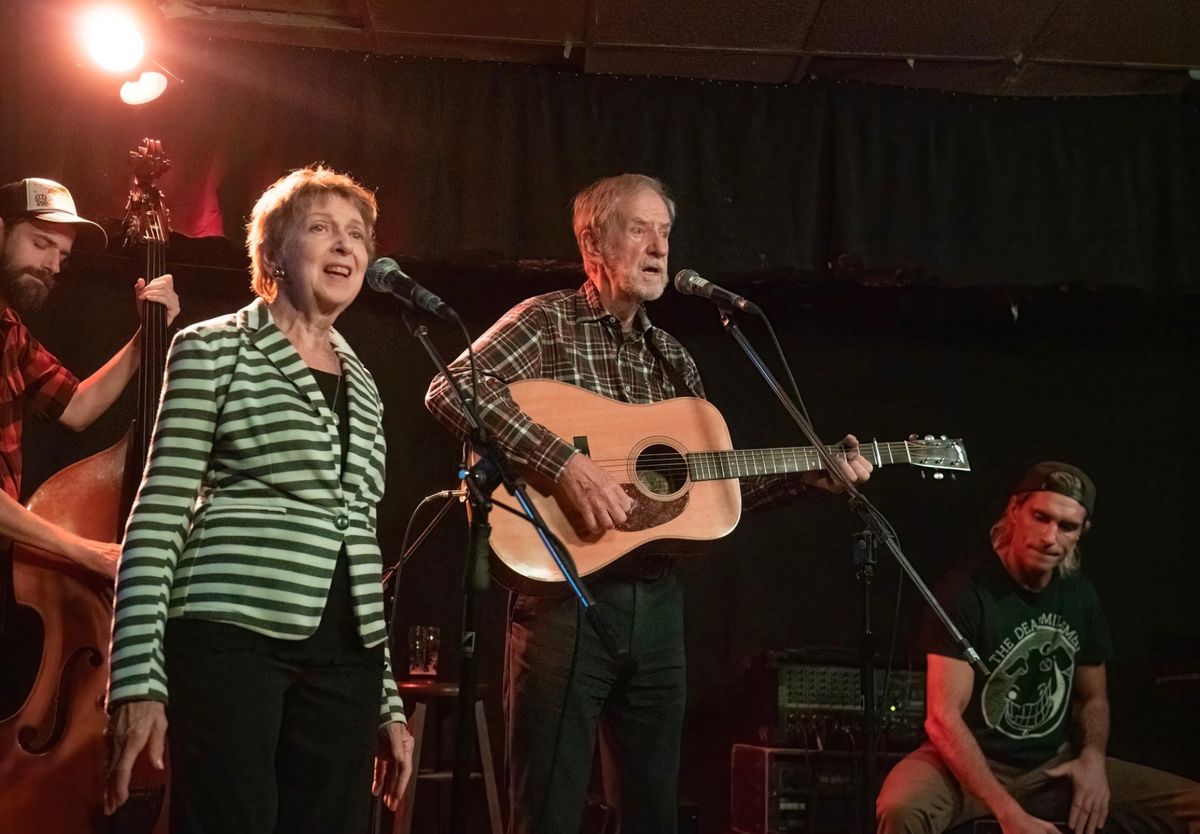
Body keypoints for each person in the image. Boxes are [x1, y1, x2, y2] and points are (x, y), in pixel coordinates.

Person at [425, 173, 872, 834]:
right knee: (546, 811)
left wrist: (810, 476)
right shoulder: (547, 321)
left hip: (656, 609)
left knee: (653, 813)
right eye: (640, 229)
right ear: (593, 245)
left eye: (665, 231)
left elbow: (701, 492)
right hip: (560, 601)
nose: (659, 246)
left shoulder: (673, 361)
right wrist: (564, 463)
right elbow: (451, 388)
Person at [105, 166, 413, 833]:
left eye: (356, 235)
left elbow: (359, 538)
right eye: (322, 228)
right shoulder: (212, 349)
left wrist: (386, 698)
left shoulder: (365, 384)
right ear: (275, 252)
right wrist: (134, 679)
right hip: (228, 636)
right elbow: (157, 515)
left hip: (343, 653)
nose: (345, 246)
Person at [876, 461, 1200, 834]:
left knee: (1192, 805)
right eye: (1040, 517)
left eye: (1067, 526)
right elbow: (943, 718)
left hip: (1053, 768)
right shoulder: (966, 592)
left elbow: (1092, 698)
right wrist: (1007, 810)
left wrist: (1092, 760)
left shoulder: (1080, 596)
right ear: (1015, 511)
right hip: (963, 768)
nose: (1050, 537)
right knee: (900, 807)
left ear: (1082, 532)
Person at [0, 176, 179, 716]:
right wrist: (89, 553)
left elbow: (76, 406)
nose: (54, 265)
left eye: (62, 255)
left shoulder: (9, 330)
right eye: (40, 243)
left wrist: (145, 336)